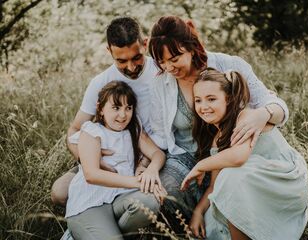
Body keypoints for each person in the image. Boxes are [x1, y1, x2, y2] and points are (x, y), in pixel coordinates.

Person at [147, 15, 289, 230]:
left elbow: (274, 105)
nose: (168, 68)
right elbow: (159, 135)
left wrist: (263, 114)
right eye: (161, 61)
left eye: (174, 59)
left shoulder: (228, 65)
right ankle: (190, 227)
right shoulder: (160, 83)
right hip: (185, 154)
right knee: (168, 191)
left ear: (191, 47)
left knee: (231, 186)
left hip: (228, 149)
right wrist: (145, 164)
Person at [180, 68, 308, 240]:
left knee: (232, 176)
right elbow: (214, 185)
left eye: (211, 99)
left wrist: (201, 165)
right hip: (255, 185)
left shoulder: (246, 117)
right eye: (198, 100)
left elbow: (238, 158)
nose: (203, 107)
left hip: (284, 182)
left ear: (228, 99)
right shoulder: (217, 138)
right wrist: (198, 211)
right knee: (212, 220)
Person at [51, 16, 160, 206]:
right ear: (109, 51)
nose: (131, 67)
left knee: (150, 197)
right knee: (59, 193)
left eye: (136, 57)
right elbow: (74, 130)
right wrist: (88, 160)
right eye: (121, 61)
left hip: (147, 154)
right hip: (108, 158)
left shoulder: (162, 70)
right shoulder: (101, 82)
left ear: (145, 44)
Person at [66, 81, 167, 240]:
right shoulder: (92, 131)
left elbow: (157, 153)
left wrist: (151, 171)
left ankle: (106, 232)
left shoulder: (133, 129)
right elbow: (92, 175)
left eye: (128, 108)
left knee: (151, 200)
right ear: (100, 108)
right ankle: (83, 232)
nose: (123, 115)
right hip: (90, 203)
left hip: (120, 198)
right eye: (116, 108)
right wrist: (139, 182)